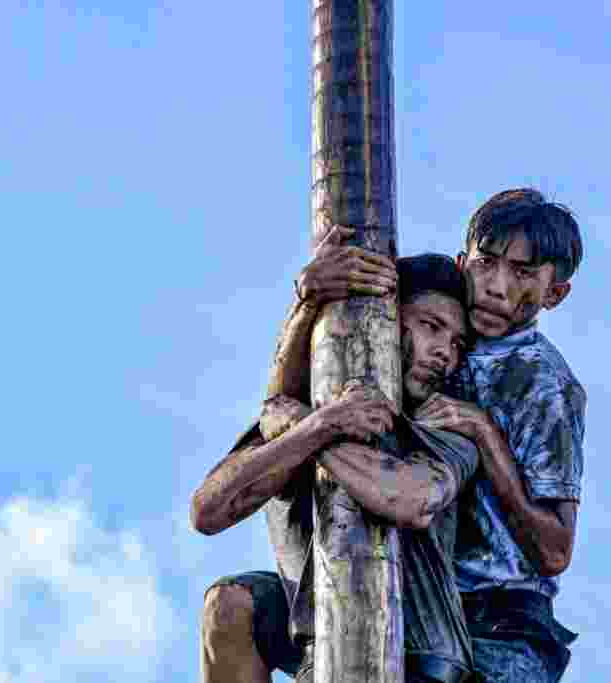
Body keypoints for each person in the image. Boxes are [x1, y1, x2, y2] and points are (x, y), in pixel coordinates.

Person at [191, 232, 477, 683]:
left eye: (458, 344)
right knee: (230, 604)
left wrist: (315, 429)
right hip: (321, 659)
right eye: (431, 326)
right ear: (387, 319)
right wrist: (317, 424)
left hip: (422, 669)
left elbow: (409, 500)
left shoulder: (447, 432)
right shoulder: (297, 422)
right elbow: (208, 510)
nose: (445, 352)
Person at [414, 188, 587, 683]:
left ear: (554, 293)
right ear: (461, 262)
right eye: (486, 263)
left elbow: (555, 552)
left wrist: (485, 435)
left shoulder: (544, 383)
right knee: (239, 607)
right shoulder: (429, 326)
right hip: (414, 605)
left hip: (502, 628)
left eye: (523, 273)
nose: (495, 286)